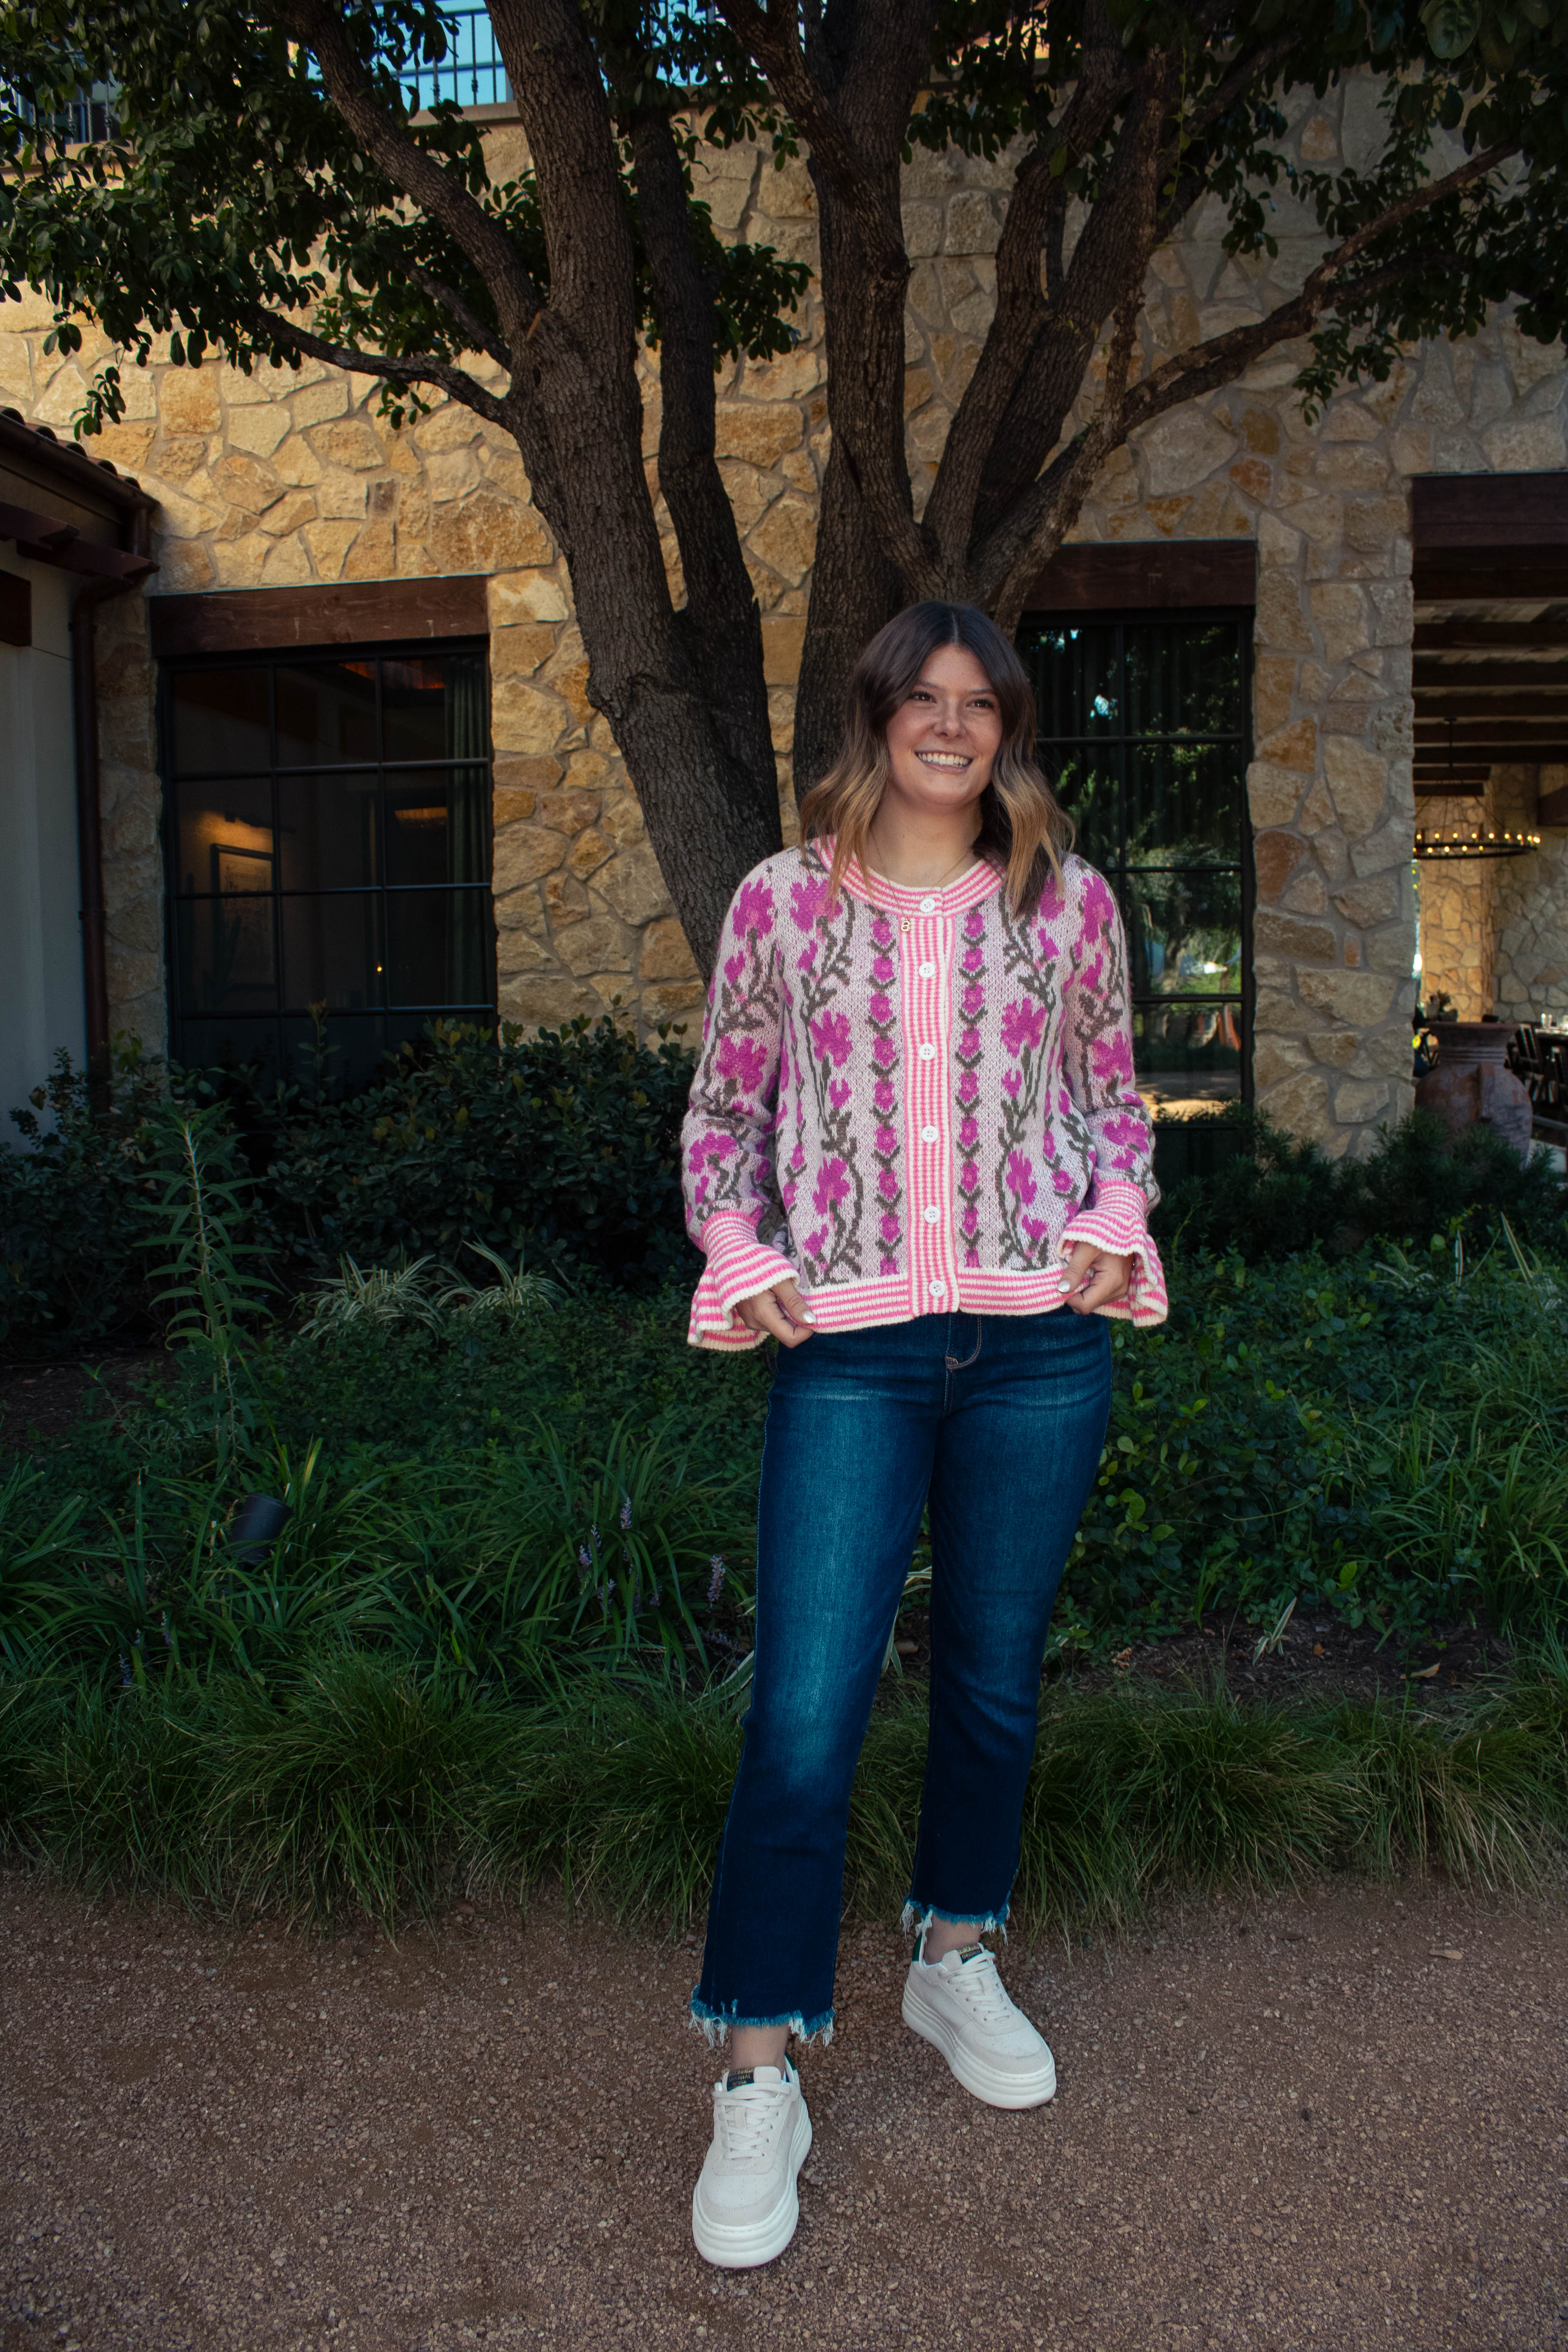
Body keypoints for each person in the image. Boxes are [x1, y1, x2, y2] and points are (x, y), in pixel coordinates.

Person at [679, 601, 1168, 2270]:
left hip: (1039, 1348)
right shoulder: (780, 902)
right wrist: (739, 1251)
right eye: (923, 702)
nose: (951, 728)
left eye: (982, 705)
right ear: (877, 717)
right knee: (808, 1707)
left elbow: (1115, 1097)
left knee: (992, 1674)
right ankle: (760, 2062)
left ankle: (953, 1954)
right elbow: (726, 1109)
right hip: (852, 1352)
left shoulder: (1066, 901)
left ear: (1005, 727)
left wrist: (1114, 1203)